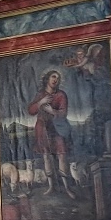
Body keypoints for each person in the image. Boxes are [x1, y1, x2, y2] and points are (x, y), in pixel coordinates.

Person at [27, 70, 75, 199]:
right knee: (46, 156)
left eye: (58, 78)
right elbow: (31, 110)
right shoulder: (41, 95)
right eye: (53, 77)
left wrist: (52, 110)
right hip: (42, 128)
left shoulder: (61, 95)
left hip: (56, 128)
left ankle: (66, 187)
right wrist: (40, 102)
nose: (55, 80)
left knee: (61, 155)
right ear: (47, 79)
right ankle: (51, 186)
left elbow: (63, 113)